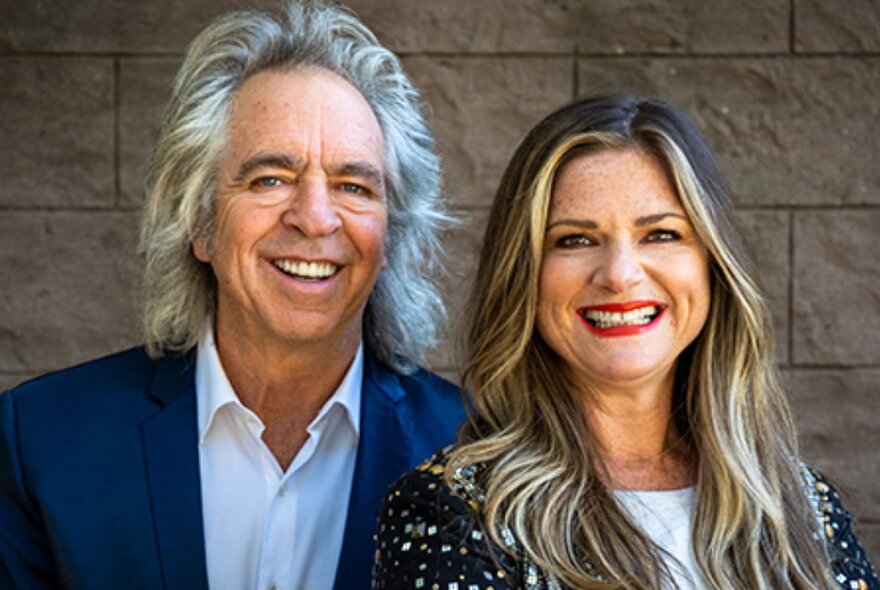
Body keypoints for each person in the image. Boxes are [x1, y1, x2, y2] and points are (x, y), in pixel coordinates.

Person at [0, 2, 465, 589]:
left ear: (389, 234)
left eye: (353, 185)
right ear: (199, 222)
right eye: (270, 179)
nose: (315, 218)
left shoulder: (472, 456)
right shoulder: (43, 444)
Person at [372, 94, 878, 590]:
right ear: (524, 274)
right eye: (574, 240)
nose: (619, 275)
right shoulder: (452, 515)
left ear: (712, 266)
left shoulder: (804, 507)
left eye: (660, 234)